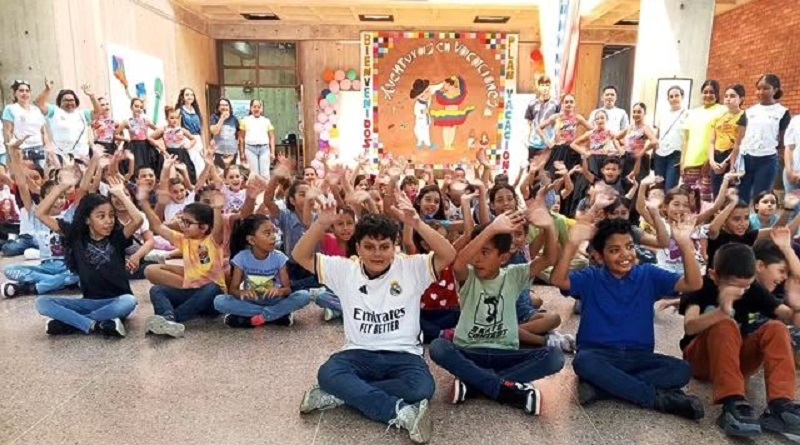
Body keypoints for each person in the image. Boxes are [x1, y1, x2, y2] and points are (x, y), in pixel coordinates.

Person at [293, 193, 456, 444]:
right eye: (369, 247)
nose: (377, 254)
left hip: (404, 355)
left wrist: (417, 223)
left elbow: (448, 254)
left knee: (422, 389)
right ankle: (401, 413)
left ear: (395, 246)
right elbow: (300, 255)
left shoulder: (411, 268)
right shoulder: (345, 270)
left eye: (384, 247)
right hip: (357, 353)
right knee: (328, 374)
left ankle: (340, 395)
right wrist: (321, 223)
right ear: (358, 248)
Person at [550, 218, 705, 420]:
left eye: (630, 247)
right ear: (599, 257)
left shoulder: (648, 274)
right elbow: (558, 279)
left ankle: (603, 388)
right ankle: (656, 399)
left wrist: (684, 244)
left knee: (682, 371)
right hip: (599, 354)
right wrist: (572, 243)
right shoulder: (591, 277)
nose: (625, 254)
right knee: (583, 362)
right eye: (615, 250)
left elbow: (693, 284)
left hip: (639, 357)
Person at [428, 201, 565, 414]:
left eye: (485, 252)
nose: (477, 258)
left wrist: (548, 226)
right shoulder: (468, 276)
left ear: (503, 258)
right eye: (476, 251)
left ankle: (474, 385)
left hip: (505, 353)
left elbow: (549, 258)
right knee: (438, 347)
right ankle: (506, 388)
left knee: (555, 357)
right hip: (469, 352)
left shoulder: (514, 275)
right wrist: (491, 228)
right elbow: (459, 262)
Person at [680, 236, 800, 438]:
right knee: (725, 324)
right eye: (735, 286)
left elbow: (788, 317)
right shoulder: (700, 286)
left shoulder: (752, 289)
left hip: (736, 362)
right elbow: (690, 327)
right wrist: (721, 312)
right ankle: (732, 401)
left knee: (777, 328)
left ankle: (781, 404)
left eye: (747, 285)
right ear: (714, 275)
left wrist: (795, 307)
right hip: (701, 359)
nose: (742, 292)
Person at [33, 174, 142, 337]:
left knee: (130, 301)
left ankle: (72, 324)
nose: (109, 221)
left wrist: (120, 194)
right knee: (42, 303)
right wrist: (60, 187)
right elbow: (40, 213)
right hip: (89, 302)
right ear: (87, 220)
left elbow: (138, 219)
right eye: (101, 216)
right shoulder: (75, 237)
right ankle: (96, 324)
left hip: (117, 301)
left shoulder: (117, 237)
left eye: (111, 215)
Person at [140, 190, 226, 338]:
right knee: (157, 290)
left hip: (211, 300)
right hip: (191, 292)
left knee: (213, 288)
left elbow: (218, 228)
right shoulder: (184, 240)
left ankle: (173, 318)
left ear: (204, 227)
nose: (182, 225)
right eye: (182, 220)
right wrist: (144, 203)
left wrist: (217, 208)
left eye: (187, 222)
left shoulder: (212, 241)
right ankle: (168, 319)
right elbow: (157, 227)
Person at [213, 214, 311, 328]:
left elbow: (287, 289)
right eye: (267, 233)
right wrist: (242, 292)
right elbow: (233, 290)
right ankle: (275, 315)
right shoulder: (241, 258)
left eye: (274, 232)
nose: (274, 237)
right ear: (251, 240)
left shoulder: (280, 258)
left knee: (304, 296)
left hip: (274, 301)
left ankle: (254, 318)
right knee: (219, 301)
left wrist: (279, 291)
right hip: (251, 302)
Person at [737, 74, 791, 204]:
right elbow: (739, 139)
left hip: (767, 160)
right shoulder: (749, 112)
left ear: (775, 90)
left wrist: (781, 158)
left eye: (765, 88)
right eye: (758, 88)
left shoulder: (782, 112)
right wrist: (735, 162)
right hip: (746, 158)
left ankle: (759, 218)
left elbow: (784, 141)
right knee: (741, 198)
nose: (761, 92)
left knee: (761, 198)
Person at [680, 80, 727, 204]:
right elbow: (686, 139)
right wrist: (682, 162)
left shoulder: (723, 111)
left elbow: (721, 137)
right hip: (691, 162)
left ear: (717, 94)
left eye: (711, 92)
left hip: (709, 162)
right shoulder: (692, 113)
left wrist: (710, 160)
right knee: (689, 200)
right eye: (705, 92)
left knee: (705, 201)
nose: (708, 95)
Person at [34, 80, 92, 160]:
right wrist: (47, 90)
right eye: (66, 100)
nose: (69, 102)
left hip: (81, 156)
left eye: (71, 100)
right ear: (60, 102)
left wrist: (92, 96)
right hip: (59, 156)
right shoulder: (54, 111)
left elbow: (99, 112)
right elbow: (39, 103)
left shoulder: (83, 114)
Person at [537, 94, 591, 174]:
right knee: (553, 174)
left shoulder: (578, 117)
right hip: (557, 150)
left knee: (572, 175)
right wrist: (547, 142)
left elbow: (593, 130)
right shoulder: (556, 117)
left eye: (571, 102)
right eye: (566, 102)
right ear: (562, 103)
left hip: (571, 150)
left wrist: (582, 143)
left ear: (574, 104)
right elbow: (538, 128)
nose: (569, 104)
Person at [707, 84, 746, 197]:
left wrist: (727, 162)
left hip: (732, 158)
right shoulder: (718, 117)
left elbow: (740, 143)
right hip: (717, 158)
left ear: (741, 98)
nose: (728, 99)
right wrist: (712, 162)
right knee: (717, 194)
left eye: (732, 96)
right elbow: (711, 141)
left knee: (731, 194)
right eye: (726, 96)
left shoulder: (744, 116)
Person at [2, 80, 48, 167]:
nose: (25, 93)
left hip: (39, 148)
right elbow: (8, 132)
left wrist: (48, 148)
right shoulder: (10, 109)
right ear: (15, 93)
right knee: (26, 174)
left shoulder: (36, 110)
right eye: (21, 91)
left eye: (27, 91)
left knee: (41, 174)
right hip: (22, 149)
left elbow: (43, 131)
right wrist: (13, 152)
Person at [115, 98, 161, 175]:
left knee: (148, 168)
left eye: (141, 107)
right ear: (131, 107)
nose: (139, 109)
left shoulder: (146, 120)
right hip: (133, 147)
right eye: (136, 106)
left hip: (146, 147)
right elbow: (115, 135)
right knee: (134, 169)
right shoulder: (127, 121)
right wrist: (126, 139)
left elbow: (159, 131)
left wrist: (151, 138)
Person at [151, 106, 197, 184]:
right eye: (172, 118)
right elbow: (150, 137)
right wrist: (158, 146)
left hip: (181, 153)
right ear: (166, 118)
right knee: (169, 176)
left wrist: (188, 145)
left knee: (185, 174)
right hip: (169, 154)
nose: (174, 120)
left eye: (176, 118)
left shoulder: (182, 129)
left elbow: (193, 139)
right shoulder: (163, 129)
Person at [654, 86, 687, 191]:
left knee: (670, 188)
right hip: (660, 154)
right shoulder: (662, 114)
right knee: (658, 187)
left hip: (676, 154)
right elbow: (657, 134)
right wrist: (654, 152)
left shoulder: (687, 114)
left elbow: (687, 138)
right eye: (671, 96)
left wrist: (683, 160)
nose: (674, 98)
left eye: (677, 96)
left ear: (682, 97)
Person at [615, 102, 658, 180]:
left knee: (636, 181)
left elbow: (654, 141)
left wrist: (643, 151)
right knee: (624, 181)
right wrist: (620, 149)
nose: (636, 114)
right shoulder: (629, 127)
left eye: (639, 112)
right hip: (626, 157)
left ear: (644, 113)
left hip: (638, 159)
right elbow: (615, 138)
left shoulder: (645, 128)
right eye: (634, 112)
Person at [525, 75, 559, 161]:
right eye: (542, 85)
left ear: (550, 86)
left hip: (549, 143)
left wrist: (555, 140)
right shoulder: (532, 104)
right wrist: (527, 139)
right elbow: (529, 123)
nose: (545, 88)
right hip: (534, 143)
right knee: (533, 167)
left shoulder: (556, 103)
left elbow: (558, 123)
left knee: (548, 168)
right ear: (538, 87)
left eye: (547, 85)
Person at [239, 99, 275, 178]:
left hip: (264, 149)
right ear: (251, 108)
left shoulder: (266, 121)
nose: (256, 109)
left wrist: (272, 152)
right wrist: (242, 153)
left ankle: (266, 186)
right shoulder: (244, 120)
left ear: (261, 109)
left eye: (258, 107)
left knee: (265, 174)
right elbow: (241, 138)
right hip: (250, 149)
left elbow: (272, 137)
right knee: (254, 175)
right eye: (254, 107)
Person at [176, 87, 206, 177]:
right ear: (182, 97)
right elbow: (177, 127)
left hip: (198, 139)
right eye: (187, 95)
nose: (190, 97)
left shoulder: (196, 111)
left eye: (192, 95)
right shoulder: (180, 111)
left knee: (201, 163)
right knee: (192, 163)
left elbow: (201, 130)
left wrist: (204, 146)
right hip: (187, 139)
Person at [209, 98, 240, 168]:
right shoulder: (214, 117)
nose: (224, 107)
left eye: (226, 105)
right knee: (220, 172)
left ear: (229, 107)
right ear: (218, 107)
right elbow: (214, 132)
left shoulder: (234, 119)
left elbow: (238, 135)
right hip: (218, 152)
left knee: (231, 172)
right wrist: (222, 119)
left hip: (232, 152)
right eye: (222, 105)